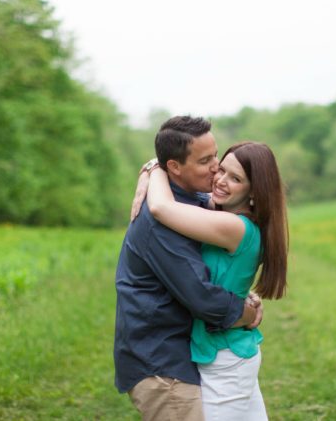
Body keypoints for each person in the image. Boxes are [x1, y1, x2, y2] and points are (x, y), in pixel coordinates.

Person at [113, 116, 263, 421]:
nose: (215, 168)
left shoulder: (190, 199)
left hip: (180, 354)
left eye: (215, 156)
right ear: (175, 168)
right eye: (205, 160)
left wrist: (150, 168)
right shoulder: (162, 224)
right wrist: (245, 312)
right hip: (162, 363)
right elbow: (202, 297)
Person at [140, 140, 289, 420]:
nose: (220, 181)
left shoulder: (234, 227)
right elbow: (195, 200)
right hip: (230, 352)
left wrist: (154, 168)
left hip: (225, 362)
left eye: (235, 179)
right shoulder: (227, 215)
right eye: (221, 170)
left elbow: (160, 207)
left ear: (254, 192)